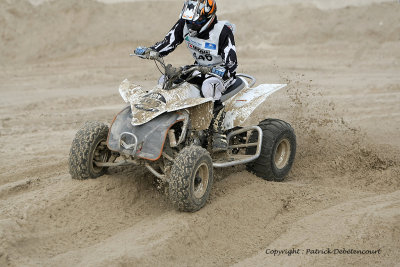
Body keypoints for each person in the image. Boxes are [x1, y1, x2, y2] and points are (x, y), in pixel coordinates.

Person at [135, 0, 238, 150]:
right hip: (198, 68)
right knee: (166, 79)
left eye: (196, 22)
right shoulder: (184, 24)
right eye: (189, 21)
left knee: (210, 85)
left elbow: (232, 63)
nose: (191, 26)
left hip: (222, 73)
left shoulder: (223, 31)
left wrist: (221, 70)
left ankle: (217, 132)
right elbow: (167, 43)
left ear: (208, 17)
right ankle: (161, 121)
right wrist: (151, 51)